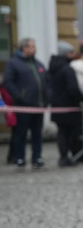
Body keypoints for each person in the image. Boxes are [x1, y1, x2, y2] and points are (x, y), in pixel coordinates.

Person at [3, 37, 49, 168]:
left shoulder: (38, 64)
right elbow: (8, 82)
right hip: (23, 105)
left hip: (38, 105)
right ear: (24, 48)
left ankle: (37, 157)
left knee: (37, 133)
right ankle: (19, 158)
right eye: (32, 46)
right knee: (20, 133)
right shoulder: (14, 64)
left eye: (34, 46)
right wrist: (19, 95)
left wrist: (47, 97)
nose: (35, 49)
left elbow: (46, 81)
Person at [47, 41, 83, 167]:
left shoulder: (53, 67)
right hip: (70, 106)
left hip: (57, 105)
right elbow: (73, 88)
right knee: (72, 132)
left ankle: (65, 156)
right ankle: (71, 155)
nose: (74, 54)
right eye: (71, 52)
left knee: (62, 132)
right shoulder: (67, 69)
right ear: (66, 54)